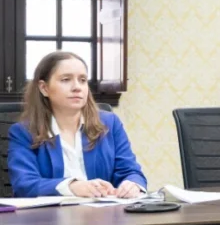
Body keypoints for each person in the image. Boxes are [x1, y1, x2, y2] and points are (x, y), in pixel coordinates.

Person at [8, 51, 147, 198]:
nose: (77, 87)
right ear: (44, 88)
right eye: (66, 79)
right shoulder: (23, 132)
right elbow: (24, 185)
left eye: (82, 80)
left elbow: (131, 172)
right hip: (51, 212)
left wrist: (132, 184)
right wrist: (72, 186)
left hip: (105, 211)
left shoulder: (110, 123)